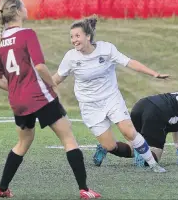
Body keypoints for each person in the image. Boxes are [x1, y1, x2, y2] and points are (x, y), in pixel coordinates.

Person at [0, 0, 100, 199]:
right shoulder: (27, 34)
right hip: (40, 96)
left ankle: (1, 188)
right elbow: (39, 66)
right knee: (68, 138)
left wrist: (14, 88)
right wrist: (53, 83)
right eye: (23, 4)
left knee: (23, 143)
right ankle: (85, 189)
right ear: (19, 11)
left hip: (18, 102)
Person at [52, 16, 169, 173]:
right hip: (90, 106)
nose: (74, 40)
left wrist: (154, 73)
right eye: (72, 36)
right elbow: (57, 78)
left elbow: (130, 62)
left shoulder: (106, 49)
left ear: (88, 36)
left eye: (77, 36)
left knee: (128, 131)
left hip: (111, 99)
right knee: (110, 146)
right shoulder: (71, 57)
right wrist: (38, 89)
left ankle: (154, 164)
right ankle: (107, 149)